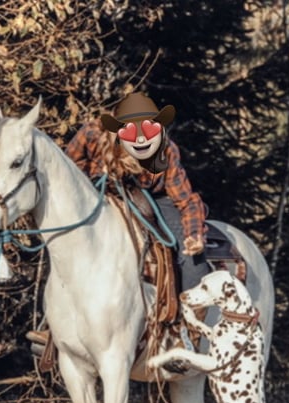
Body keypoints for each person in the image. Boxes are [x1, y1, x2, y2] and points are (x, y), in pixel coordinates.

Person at [66, 91, 210, 292]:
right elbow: (68, 168)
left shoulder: (166, 150)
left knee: (193, 261)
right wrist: (95, 174)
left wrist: (194, 235)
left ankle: (193, 306)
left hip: (156, 199)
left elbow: (186, 200)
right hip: (99, 193)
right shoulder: (92, 133)